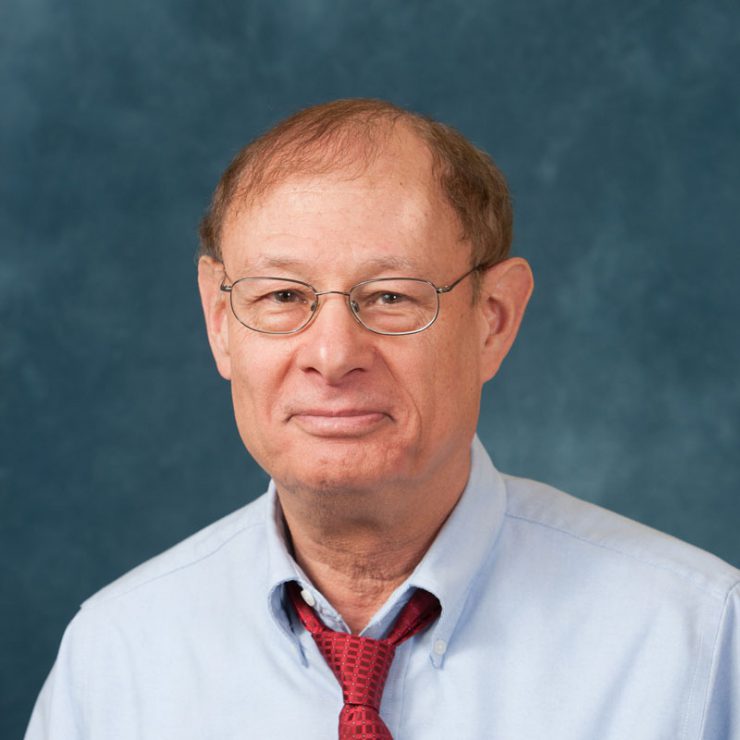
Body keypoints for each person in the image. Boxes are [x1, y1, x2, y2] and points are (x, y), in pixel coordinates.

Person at [26, 99, 738, 740]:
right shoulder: (115, 656)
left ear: (493, 321)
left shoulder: (699, 641)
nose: (333, 356)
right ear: (220, 323)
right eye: (281, 296)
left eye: (392, 297)